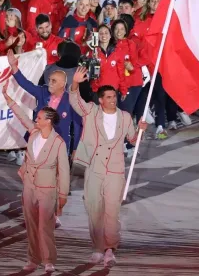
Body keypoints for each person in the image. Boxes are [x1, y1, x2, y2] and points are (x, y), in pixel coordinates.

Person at [69, 67, 147, 267]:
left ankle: (110, 249)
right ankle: (97, 248)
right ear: (100, 100)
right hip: (94, 168)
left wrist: (140, 131)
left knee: (112, 211)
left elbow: (131, 139)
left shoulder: (125, 117)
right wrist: (76, 83)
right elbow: (75, 101)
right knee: (94, 209)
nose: (113, 99)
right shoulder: (92, 112)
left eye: (114, 96)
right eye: (109, 97)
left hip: (115, 170)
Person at [2, 79, 70, 273]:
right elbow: (22, 116)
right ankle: (33, 259)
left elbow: (64, 171)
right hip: (29, 187)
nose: (36, 120)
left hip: (48, 189)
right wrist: (8, 98)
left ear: (48, 121)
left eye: (39, 118)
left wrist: (62, 196)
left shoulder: (58, 143)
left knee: (44, 227)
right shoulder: (33, 134)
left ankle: (49, 260)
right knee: (31, 227)